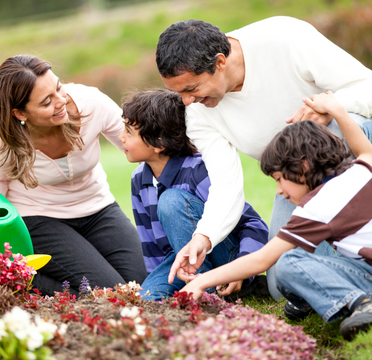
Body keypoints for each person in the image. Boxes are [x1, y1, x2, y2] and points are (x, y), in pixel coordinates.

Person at [155, 16, 372, 299]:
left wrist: (333, 106)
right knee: (282, 286)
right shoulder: (198, 113)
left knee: (345, 124)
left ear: (220, 62)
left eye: (191, 89)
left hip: (352, 156)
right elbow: (225, 185)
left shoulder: (285, 38)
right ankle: (351, 275)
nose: (186, 101)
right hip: (296, 181)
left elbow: (366, 85)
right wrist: (203, 238)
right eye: (178, 92)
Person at [174, 91, 372, 340]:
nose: (279, 191)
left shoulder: (318, 206)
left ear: (303, 168)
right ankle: (310, 298)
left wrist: (202, 281)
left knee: (289, 263)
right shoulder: (362, 167)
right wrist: (337, 110)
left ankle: (361, 304)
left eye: (279, 180)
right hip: (364, 265)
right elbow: (362, 146)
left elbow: (261, 261)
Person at [0, 55, 147, 296]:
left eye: (59, 88)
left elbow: (136, 143)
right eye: (47, 102)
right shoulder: (0, 138)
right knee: (110, 293)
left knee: (141, 286)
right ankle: (21, 279)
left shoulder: (91, 104)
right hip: (39, 217)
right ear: (19, 113)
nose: (61, 101)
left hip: (98, 209)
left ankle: (45, 281)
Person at [119, 89, 269, 301]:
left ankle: (208, 296)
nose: (120, 137)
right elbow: (151, 245)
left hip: (225, 260)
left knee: (171, 201)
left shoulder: (198, 171)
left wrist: (242, 268)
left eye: (128, 131)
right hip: (179, 264)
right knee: (145, 300)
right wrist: (155, 279)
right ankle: (199, 292)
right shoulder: (139, 180)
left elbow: (254, 224)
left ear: (159, 143)